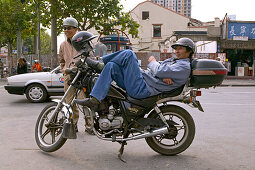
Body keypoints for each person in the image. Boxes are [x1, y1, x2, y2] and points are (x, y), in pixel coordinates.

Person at [74, 37, 195, 110]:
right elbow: (160, 71)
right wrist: (161, 75)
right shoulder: (175, 61)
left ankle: (99, 63)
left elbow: (158, 69)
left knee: (129, 53)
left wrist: (153, 62)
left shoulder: (183, 66)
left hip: (143, 88)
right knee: (112, 66)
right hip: (143, 81)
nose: (177, 51)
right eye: (176, 48)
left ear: (189, 51)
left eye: (180, 48)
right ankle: (95, 99)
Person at [58, 18, 96, 133]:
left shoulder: (83, 42)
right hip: (69, 77)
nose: (66, 30)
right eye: (64, 28)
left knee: (84, 102)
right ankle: (73, 125)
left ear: (76, 29)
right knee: (69, 102)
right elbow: (61, 61)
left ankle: (90, 126)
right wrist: (64, 70)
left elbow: (91, 58)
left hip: (82, 76)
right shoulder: (63, 45)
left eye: (69, 28)